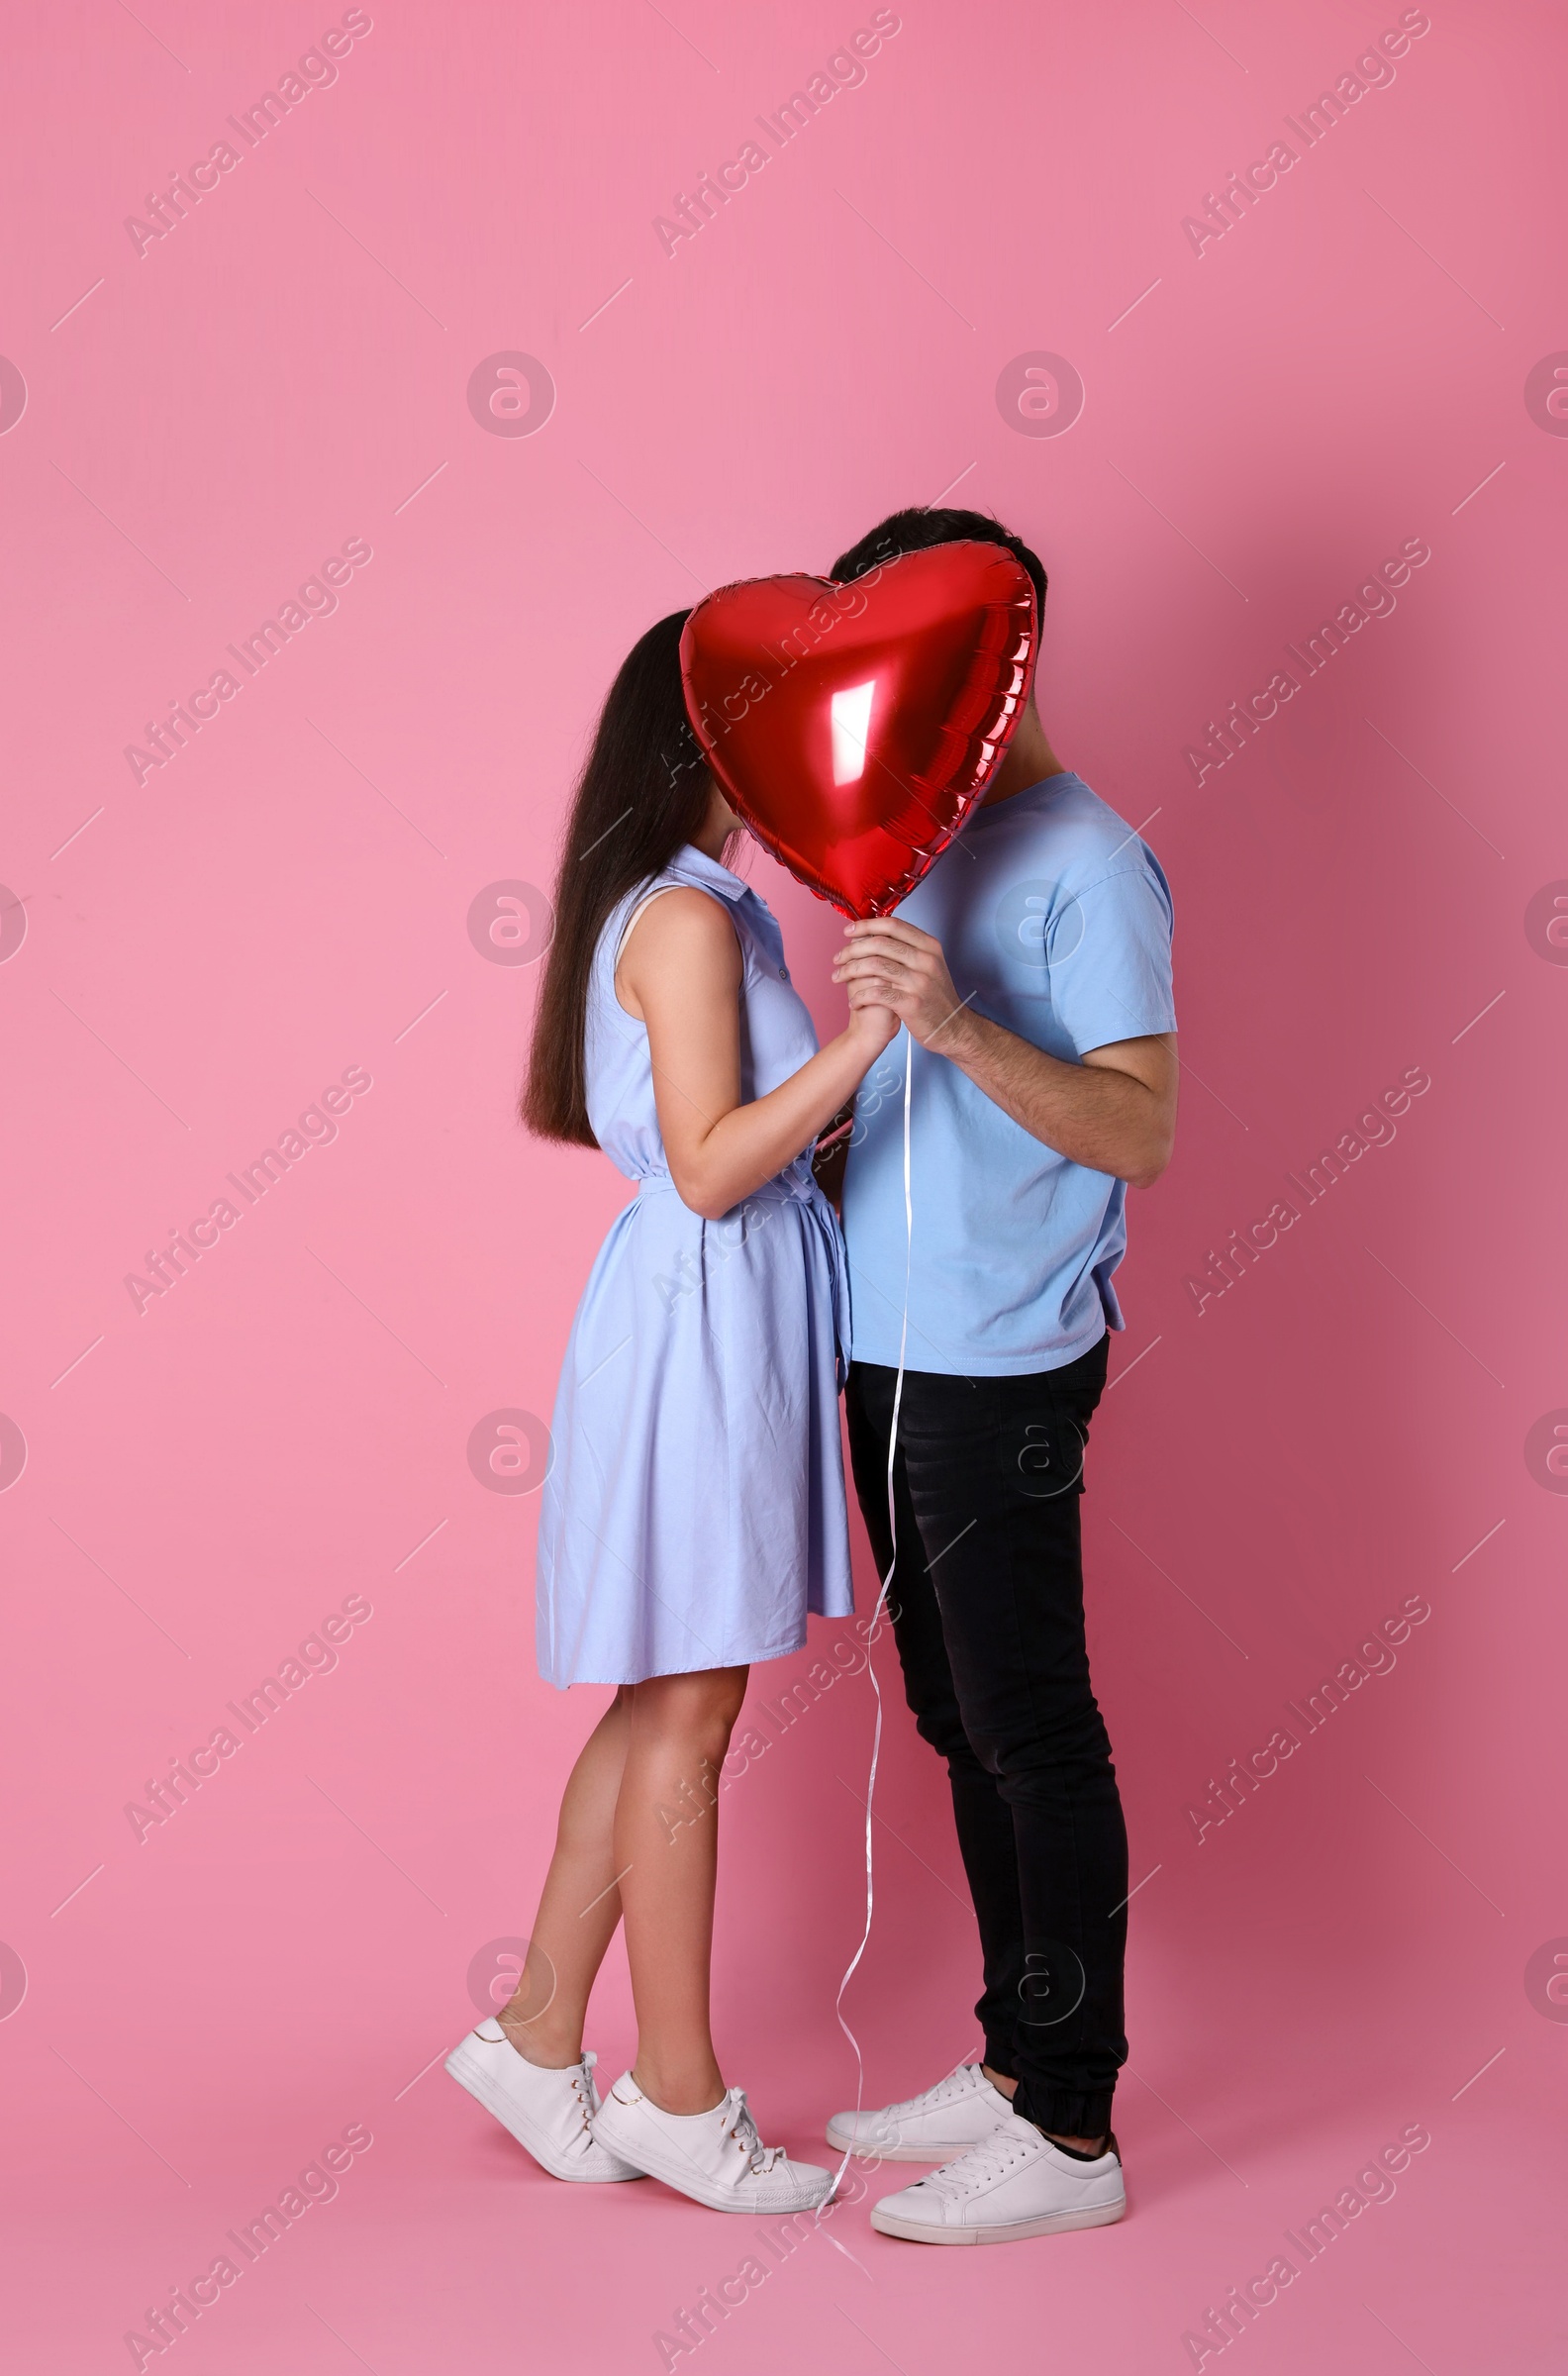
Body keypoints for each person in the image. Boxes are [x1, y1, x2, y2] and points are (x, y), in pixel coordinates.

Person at [446, 612, 896, 2216]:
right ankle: (678, 2094)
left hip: (713, 1313)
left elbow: (723, 1153)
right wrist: (870, 1043)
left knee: (659, 1701)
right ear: (697, 748)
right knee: (690, 1712)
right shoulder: (691, 924)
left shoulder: (693, 906)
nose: (785, 766)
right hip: (704, 1318)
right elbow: (712, 1166)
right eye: (758, 733)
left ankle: (538, 2030)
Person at [821, 507, 1178, 2245]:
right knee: (957, 1719)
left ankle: (1077, 2133)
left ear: (999, 646)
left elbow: (1145, 1126)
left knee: (1034, 1728)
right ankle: (1019, 2060)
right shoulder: (914, 838)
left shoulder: (1087, 860)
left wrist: (958, 1026)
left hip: (1002, 1371)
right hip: (884, 1354)